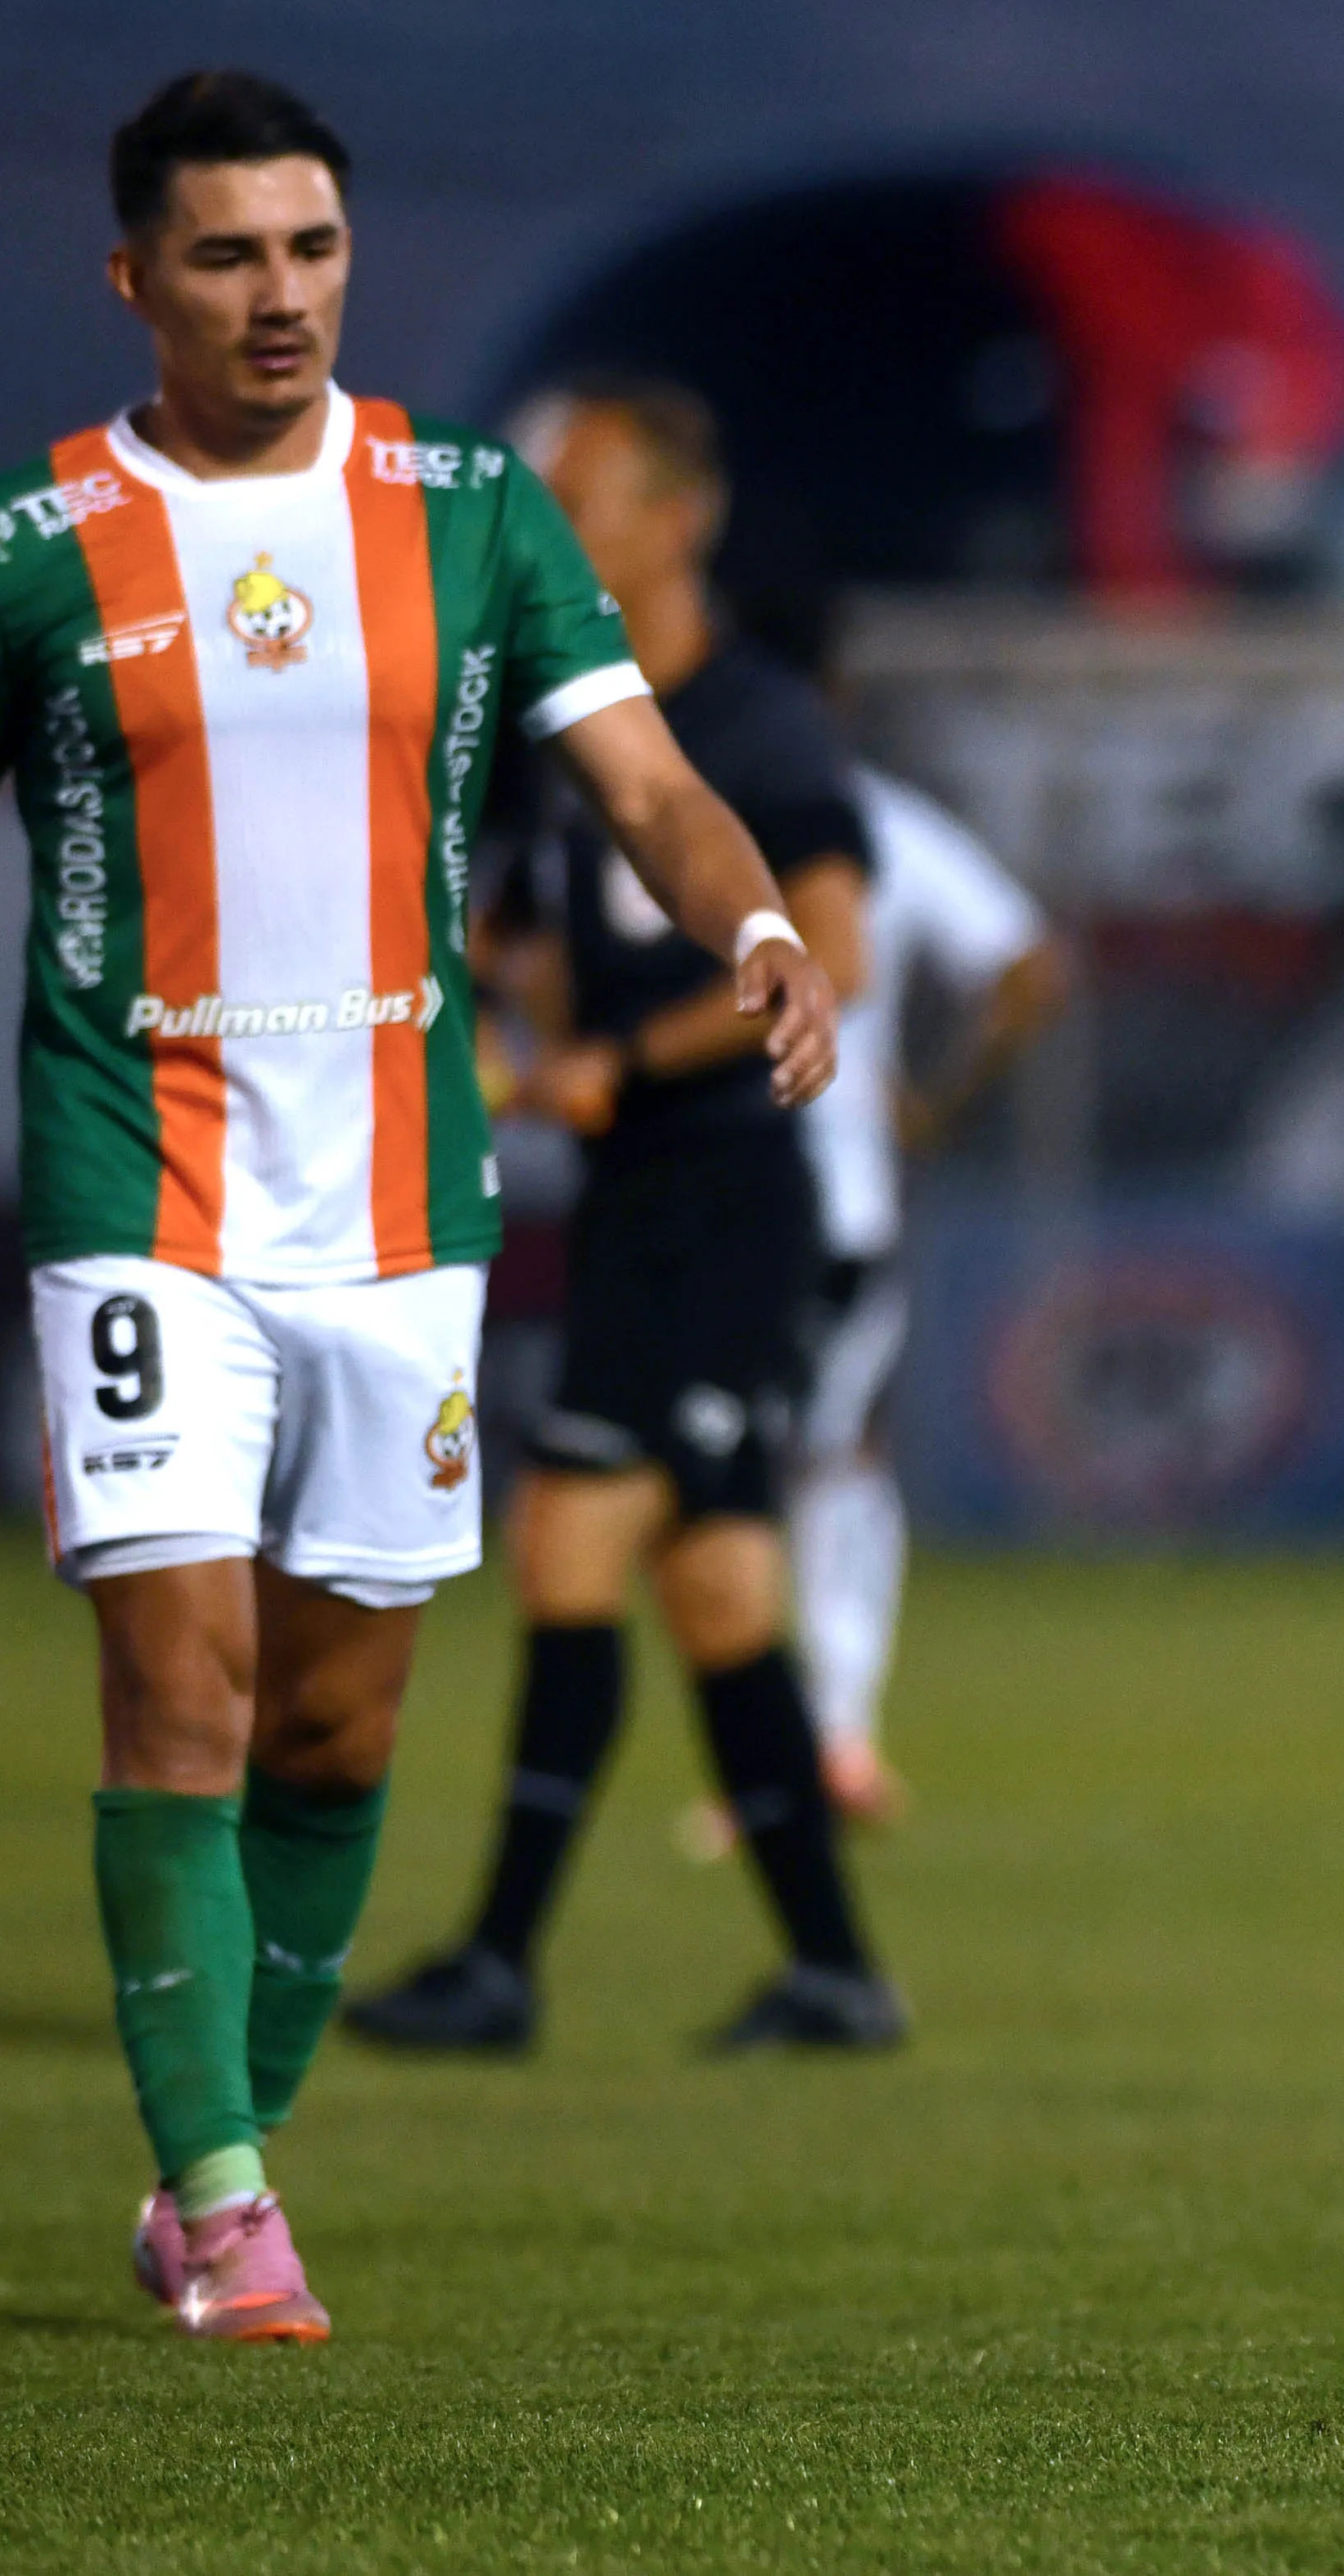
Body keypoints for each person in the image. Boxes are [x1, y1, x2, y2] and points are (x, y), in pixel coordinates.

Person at [0, 72, 841, 2342]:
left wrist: (752, 934)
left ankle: (216, 2145)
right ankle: (228, 2201)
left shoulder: (469, 514)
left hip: (396, 1207)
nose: (282, 294)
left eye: (316, 247)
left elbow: (651, 780)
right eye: (233, 254)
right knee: (186, 1690)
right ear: (135, 277)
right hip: (129, 1191)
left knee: (337, 1731)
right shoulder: (23, 545)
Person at [345, 377, 902, 2058]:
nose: (551, 534)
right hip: (649, 1198)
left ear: (679, 520)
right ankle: (835, 1977)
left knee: (569, 1542)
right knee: (723, 1597)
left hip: (728, 1198)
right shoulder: (561, 729)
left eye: (581, 502)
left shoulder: (751, 724)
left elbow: (836, 955)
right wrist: (497, 1004)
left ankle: (499, 1962)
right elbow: (510, 928)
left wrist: (613, 1056)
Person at [779, 764, 1067, 1827]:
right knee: (833, 1452)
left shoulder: (650, 801)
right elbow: (1030, 967)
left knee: (680, 1479)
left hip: (683, 1186)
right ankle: (830, 1735)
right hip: (839, 1192)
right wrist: (937, 1096)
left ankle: (787, 1750)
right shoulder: (872, 815)